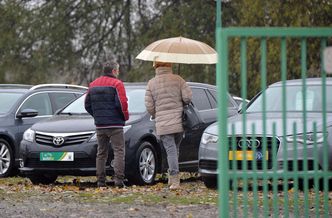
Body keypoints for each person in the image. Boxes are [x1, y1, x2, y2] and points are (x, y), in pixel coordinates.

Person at [145, 61, 192, 190]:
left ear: (156, 67)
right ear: (169, 65)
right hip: (179, 122)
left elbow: (149, 106)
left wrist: (157, 114)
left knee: (170, 151)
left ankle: (175, 181)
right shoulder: (178, 79)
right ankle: (172, 180)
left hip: (163, 124)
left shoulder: (151, 83)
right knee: (174, 150)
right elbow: (187, 98)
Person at [85, 61, 129, 188]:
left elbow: (87, 104)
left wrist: (97, 116)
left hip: (100, 125)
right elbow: (122, 104)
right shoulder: (117, 84)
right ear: (114, 71)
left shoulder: (93, 85)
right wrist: (125, 117)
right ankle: (119, 181)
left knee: (101, 153)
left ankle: (100, 181)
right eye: (118, 70)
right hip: (115, 125)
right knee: (119, 151)